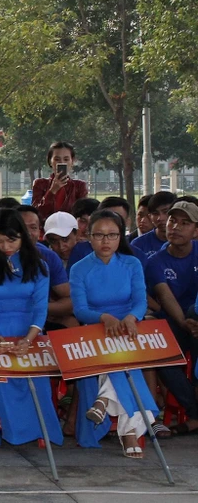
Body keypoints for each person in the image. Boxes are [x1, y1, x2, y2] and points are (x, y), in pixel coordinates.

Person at [0, 209, 63, 447]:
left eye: (11, 240)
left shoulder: (39, 266)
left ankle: (40, 430)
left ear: (22, 236)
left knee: (37, 385)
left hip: (29, 332)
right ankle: (11, 429)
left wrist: (29, 338)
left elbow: (40, 309)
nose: (5, 247)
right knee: (3, 383)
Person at [69, 210, 157, 456]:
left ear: (121, 237)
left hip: (129, 327)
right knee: (121, 364)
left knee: (123, 358)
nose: (105, 241)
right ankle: (129, 434)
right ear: (88, 236)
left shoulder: (131, 264)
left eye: (112, 235)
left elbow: (140, 301)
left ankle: (105, 400)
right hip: (96, 327)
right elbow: (80, 309)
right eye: (99, 235)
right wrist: (104, 318)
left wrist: (131, 317)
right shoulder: (79, 269)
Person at [143, 201, 198, 435]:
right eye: (172, 221)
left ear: (196, 231)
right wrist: (185, 323)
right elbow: (165, 297)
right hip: (174, 321)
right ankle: (195, 412)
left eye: (185, 223)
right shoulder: (156, 261)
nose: (175, 227)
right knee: (161, 355)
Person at [32, 141, 88, 220]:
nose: (62, 162)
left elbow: (83, 213)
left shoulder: (79, 186)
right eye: (57, 159)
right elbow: (36, 212)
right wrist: (52, 191)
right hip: (46, 226)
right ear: (50, 161)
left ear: (72, 161)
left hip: (71, 226)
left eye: (66, 159)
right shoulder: (40, 183)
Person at [131, 191, 176, 262]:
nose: (160, 218)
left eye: (165, 212)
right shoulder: (138, 245)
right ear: (150, 216)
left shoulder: (187, 242)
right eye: (155, 213)